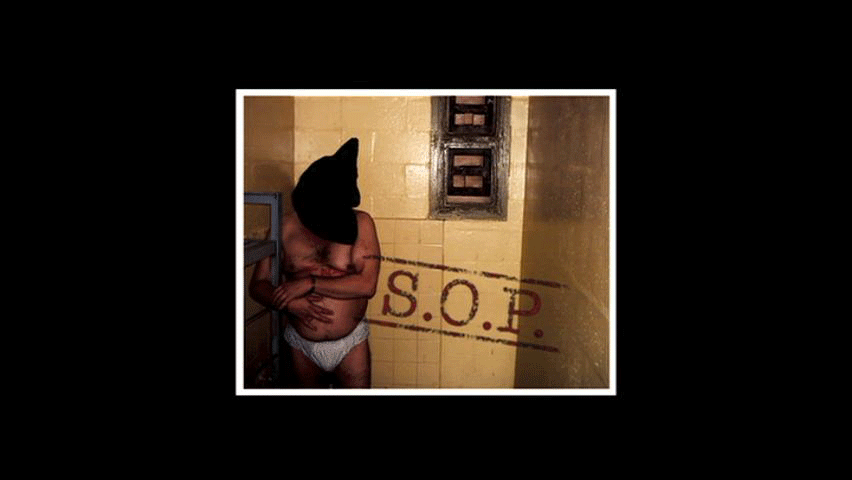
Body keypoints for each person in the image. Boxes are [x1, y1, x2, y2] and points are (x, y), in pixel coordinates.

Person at [249, 138, 380, 388]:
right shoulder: (284, 226)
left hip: (350, 344)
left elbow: (367, 285)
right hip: (301, 345)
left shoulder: (361, 224)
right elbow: (258, 285)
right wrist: (289, 303)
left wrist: (310, 283)